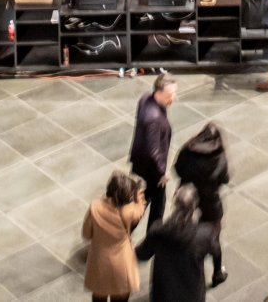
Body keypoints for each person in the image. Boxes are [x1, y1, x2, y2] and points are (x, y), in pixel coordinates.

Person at [173, 123, 229, 290]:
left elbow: (177, 169)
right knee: (213, 238)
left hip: (188, 199)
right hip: (210, 202)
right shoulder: (219, 156)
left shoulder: (188, 149)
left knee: (183, 234)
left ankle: (182, 270)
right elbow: (224, 178)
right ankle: (217, 272)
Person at [135, 184, 213, 302]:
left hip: (164, 293)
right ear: (195, 207)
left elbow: (142, 254)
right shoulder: (205, 234)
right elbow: (209, 251)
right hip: (192, 294)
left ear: (174, 205)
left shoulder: (158, 230)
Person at [82, 171, 145, 302]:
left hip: (100, 263)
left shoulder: (95, 207)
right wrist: (138, 193)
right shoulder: (130, 211)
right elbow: (141, 209)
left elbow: (86, 234)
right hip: (122, 265)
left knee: (99, 296)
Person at [128, 73, 176, 231]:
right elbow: (153, 152)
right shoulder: (154, 118)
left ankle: (124, 231)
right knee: (155, 204)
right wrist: (162, 173)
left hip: (140, 163)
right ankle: (149, 239)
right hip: (151, 170)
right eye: (170, 94)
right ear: (159, 92)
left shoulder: (146, 98)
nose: (173, 98)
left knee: (142, 199)